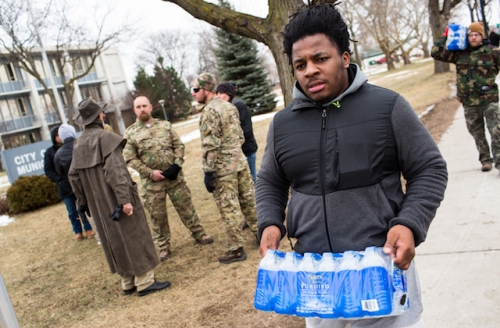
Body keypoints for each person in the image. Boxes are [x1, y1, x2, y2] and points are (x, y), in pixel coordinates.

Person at [255, 4, 448, 328]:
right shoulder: (282, 124)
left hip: (380, 272)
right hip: (316, 278)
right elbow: (270, 181)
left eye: (320, 58)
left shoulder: (388, 107)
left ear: (345, 57)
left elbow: (429, 168)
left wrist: (410, 223)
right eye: (300, 64)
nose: (309, 71)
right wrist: (270, 222)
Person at [69, 97, 170, 297]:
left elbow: (73, 177)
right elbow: (116, 171)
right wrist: (125, 200)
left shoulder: (78, 143)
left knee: (114, 239)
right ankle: (144, 281)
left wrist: (83, 204)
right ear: (99, 115)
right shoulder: (106, 138)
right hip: (116, 199)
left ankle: (128, 282)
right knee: (134, 235)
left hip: (98, 205)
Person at [123, 95, 213, 261]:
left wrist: (177, 165)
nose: (142, 109)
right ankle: (163, 247)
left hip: (175, 179)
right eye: (138, 107)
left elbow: (178, 145)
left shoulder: (165, 125)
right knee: (158, 217)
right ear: (134, 110)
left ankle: (199, 234)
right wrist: (150, 173)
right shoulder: (130, 133)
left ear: (150, 107)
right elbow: (130, 159)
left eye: (144, 105)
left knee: (186, 208)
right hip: (152, 185)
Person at [192, 73, 258, 264]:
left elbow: (211, 145)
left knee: (229, 208)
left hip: (223, 169)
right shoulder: (230, 106)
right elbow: (240, 136)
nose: (194, 94)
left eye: (196, 90)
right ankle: (261, 233)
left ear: (206, 90)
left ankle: (236, 249)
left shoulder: (209, 112)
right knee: (249, 201)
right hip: (240, 163)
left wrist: (208, 171)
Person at [432, 21, 500, 173]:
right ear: (467, 37)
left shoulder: (492, 52)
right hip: (469, 101)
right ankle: (485, 160)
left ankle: (499, 160)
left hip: (489, 99)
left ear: (482, 36)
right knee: (477, 133)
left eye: (477, 35)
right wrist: (445, 36)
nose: (474, 38)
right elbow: (436, 52)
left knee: (496, 130)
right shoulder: (459, 54)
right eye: (471, 35)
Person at [43, 125, 93, 241]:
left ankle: (89, 229)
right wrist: (59, 179)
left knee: (83, 206)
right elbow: (48, 170)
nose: (59, 137)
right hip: (64, 186)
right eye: (56, 135)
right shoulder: (50, 152)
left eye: (60, 134)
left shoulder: (74, 146)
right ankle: (78, 232)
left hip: (78, 184)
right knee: (72, 211)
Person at [54, 124, 100, 244]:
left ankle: (99, 236)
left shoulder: (59, 154)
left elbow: (60, 171)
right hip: (90, 183)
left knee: (86, 210)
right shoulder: (83, 146)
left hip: (73, 186)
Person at [216, 82, 259, 182]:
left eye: (221, 93)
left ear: (229, 94)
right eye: (217, 93)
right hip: (235, 153)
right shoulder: (225, 108)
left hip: (246, 151)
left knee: (251, 181)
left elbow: (246, 129)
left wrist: (232, 144)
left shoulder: (238, 105)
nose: (218, 96)